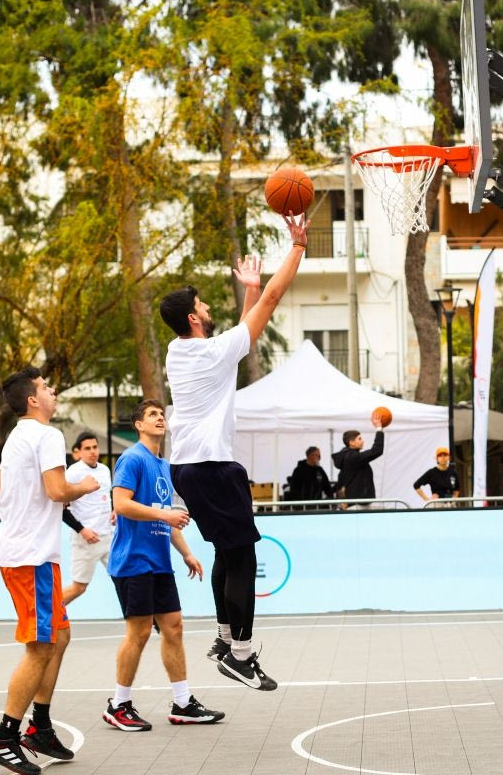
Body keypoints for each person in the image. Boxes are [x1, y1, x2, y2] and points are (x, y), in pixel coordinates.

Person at [160, 213, 308, 692]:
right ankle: (241, 656)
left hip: (188, 467)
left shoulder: (178, 351)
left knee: (228, 549)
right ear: (193, 318)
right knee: (243, 557)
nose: (207, 309)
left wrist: (250, 290)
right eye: (202, 305)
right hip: (212, 466)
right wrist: (297, 247)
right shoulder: (211, 352)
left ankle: (225, 640)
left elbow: (243, 331)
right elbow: (271, 303)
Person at [0, 367, 100, 775]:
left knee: (59, 636)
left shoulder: (16, 437)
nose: (53, 391)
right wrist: (84, 486)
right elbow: (57, 490)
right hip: (31, 557)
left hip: (23, 552)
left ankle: (41, 726)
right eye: (46, 387)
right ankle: (4, 736)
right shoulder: (47, 436)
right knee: (40, 647)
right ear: (33, 400)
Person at [104, 399, 224, 731]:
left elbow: (166, 516)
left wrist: (186, 552)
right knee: (139, 631)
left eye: (161, 414)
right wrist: (165, 515)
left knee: (174, 627)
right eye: (152, 415)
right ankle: (118, 704)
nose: (160, 418)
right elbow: (121, 504)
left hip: (159, 562)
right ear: (138, 425)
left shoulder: (163, 465)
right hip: (133, 560)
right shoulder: (132, 458)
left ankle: (183, 703)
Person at [61, 433, 114, 606]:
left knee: (125, 578)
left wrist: (115, 510)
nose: (92, 451)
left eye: (95, 447)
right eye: (87, 448)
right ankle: (44, 614)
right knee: (79, 587)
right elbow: (60, 508)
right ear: (79, 452)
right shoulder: (73, 472)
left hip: (108, 536)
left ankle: (143, 617)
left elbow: (108, 496)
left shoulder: (104, 470)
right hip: (86, 540)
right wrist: (82, 530)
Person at [332, 418, 385, 502]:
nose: (363, 441)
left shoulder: (346, 457)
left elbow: (341, 480)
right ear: (351, 442)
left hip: (356, 501)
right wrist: (379, 428)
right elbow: (376, 450)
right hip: (359, 503)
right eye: (359, 439)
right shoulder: (352, 457)